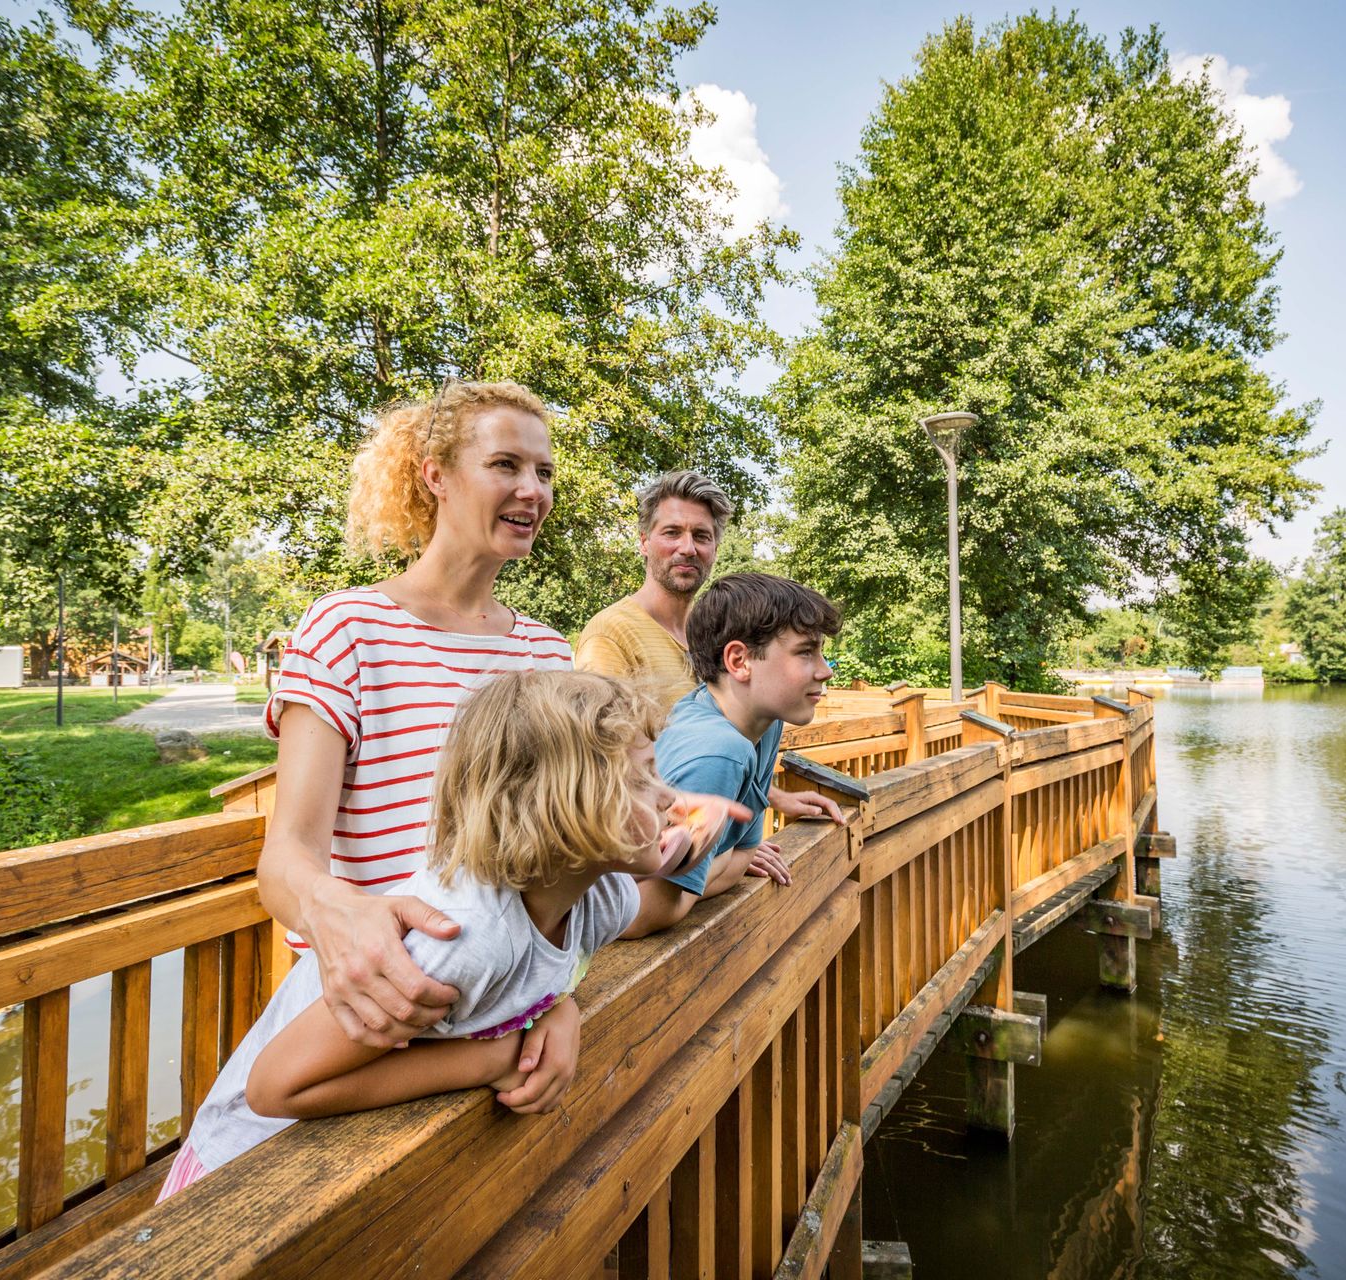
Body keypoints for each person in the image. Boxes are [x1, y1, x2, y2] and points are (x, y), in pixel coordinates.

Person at [257, 381, 736, 1113]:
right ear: (436, 477)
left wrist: (553, 1001)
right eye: (506, 465)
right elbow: (285, 855)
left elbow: (555, 859)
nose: (532, 491)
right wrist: (335, 909)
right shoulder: (346, 628)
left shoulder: (543, 649)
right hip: (366, 1025)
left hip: (482, 1023)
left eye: (543, 473)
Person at [162, 671, 723, 1198]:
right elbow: (275, 1087)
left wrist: (558, 1006)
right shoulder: (467, 935)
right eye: (641, 777)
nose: (669, 797)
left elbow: (562, 963)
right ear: (564, 804)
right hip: (241, 1168)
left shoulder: (601, 897)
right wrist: (491, 1060)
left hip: (338, 1172)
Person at [576, 471, 848, 829]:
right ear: (644, 542)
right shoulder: (611, 635)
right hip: (660, 849)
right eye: (672, 532)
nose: (687, 548)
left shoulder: (718, 627)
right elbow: (603, 765)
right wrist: (710, 852)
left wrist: (770, 800)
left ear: (715, 549)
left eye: (701, 536)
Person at [622, 573, 843, 939]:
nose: (825, 670)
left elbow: (746, 850)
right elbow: (643, 912)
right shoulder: (719, 751)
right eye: (806, 652)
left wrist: (712, 865)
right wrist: (718, 863)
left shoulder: (760, 724)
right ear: (739, 661)